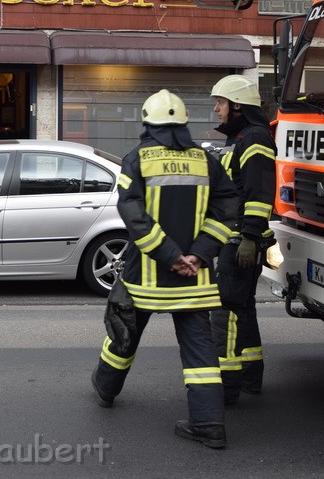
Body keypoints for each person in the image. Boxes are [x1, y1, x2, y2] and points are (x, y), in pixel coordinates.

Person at [91, 89, 239, 450]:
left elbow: (133, 216)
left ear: (147, 124)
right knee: (201, 353)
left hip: (147, 276)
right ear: (184, 124)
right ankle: (209, 425)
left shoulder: (137, 159)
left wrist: (169, 255)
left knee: (125, 333)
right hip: (195, 278)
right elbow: (227, 207)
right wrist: (200, 254)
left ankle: (105, 389)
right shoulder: (206, 160)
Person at [207, 75, 277, 406]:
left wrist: (249, 237)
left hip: (240, 243)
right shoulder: (242, 138)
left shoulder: (255, 139)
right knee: (243, 308)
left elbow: (259, 192)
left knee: (226, 312)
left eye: (220, 102)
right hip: (236, 240)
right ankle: (251, 377)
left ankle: (226, 386)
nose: (216, 109)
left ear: (237, 105)